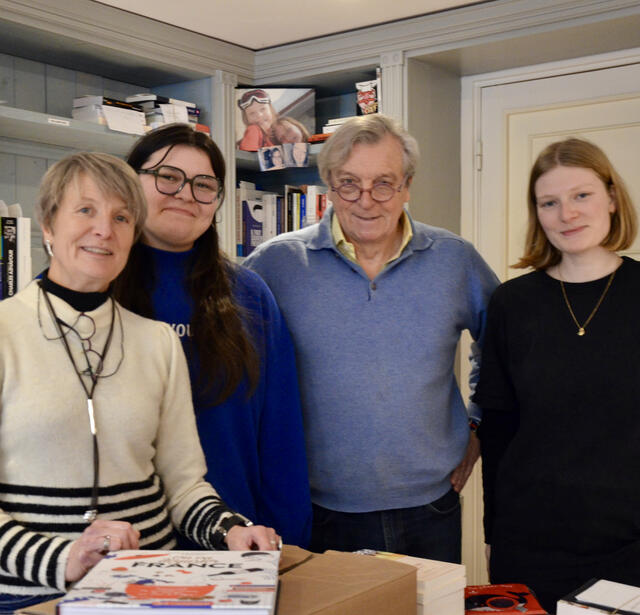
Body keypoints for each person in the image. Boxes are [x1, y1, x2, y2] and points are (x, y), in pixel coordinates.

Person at [0, 152, 279, 612]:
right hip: (31, 598)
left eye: (121, 217)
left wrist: (230, 528)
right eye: (85, 210)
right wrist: (64, 558)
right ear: (47, 225)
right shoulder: (6, 332)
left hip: (149, 592)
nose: (104, 230)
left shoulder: (157, 342)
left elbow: (184, 485)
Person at [245, 114, 499, 562]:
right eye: (349, 184)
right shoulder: (276, 265)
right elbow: (236, 368)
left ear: (407, 186)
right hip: (318, 510)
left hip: (432, 508)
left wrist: (478, 425)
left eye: (383, 183)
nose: (367, 201)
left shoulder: (455, 260)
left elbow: (505, 351)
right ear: (328, 186)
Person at [113, 124, 312, 549]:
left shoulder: (249, 294)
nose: (186, 193)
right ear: (130, 183)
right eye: (168, 177)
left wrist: (289, 542)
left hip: (236, 543)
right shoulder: (92, 290)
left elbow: (280, 434)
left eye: (204, 185)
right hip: (118, 550)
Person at [474, 137, 640, 612]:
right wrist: (493, 534)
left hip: (631, 547)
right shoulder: (512, 303)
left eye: (581, 195)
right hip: (529, 548)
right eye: (550, 202)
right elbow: (499, 427)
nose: (567, 214)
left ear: (611, 197)